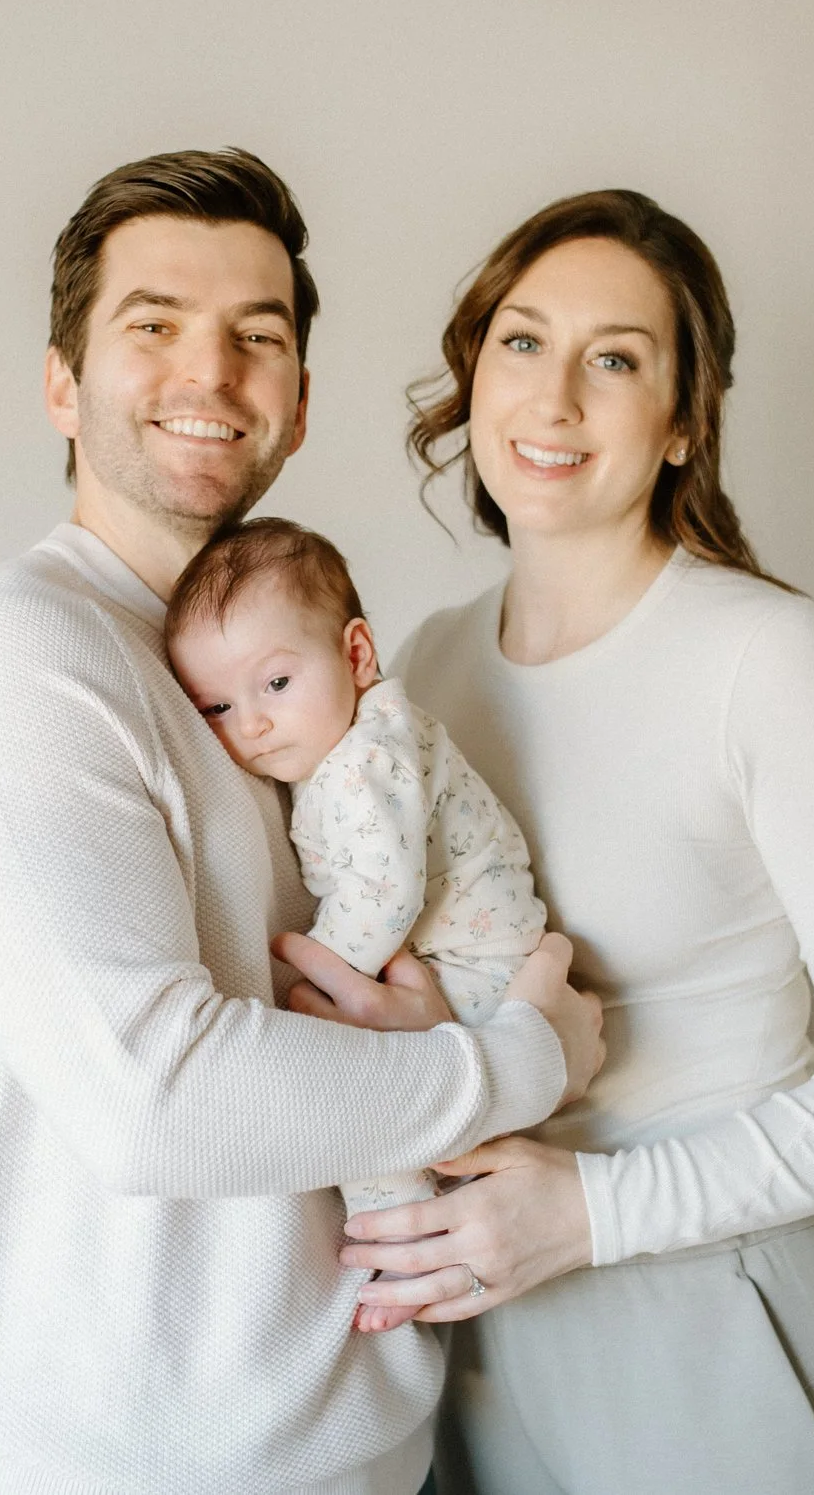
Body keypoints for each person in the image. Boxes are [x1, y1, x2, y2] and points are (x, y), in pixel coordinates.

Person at [0, 149, 604, 1495]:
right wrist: (523, 1058)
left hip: (358, 1425)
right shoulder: (12, 660)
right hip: (124, 1461)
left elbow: (325, 1001)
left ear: (299, 405)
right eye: (154, 325)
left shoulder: (267, 682)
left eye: (257, 336)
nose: (212, 371)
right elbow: (160, 1100)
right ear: (61, 383)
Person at [314, 190, 814, 1494]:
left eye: (614, 358)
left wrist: (593, 1211)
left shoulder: (766, 661)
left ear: (683, 421)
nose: (553, 396)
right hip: (486, 1307)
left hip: (708, 1302)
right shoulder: (428, 666)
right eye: (522, 341)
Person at [164, 517, 548, 1329]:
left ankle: (403, 1261)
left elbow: (383, 895)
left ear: (357, 655)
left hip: (475, 961)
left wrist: (302, 986)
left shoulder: (366, 757)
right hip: (469, 957)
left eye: (275, 684)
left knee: (373, 1122)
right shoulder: (343, 744)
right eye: (219, 706)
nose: (253, 724)